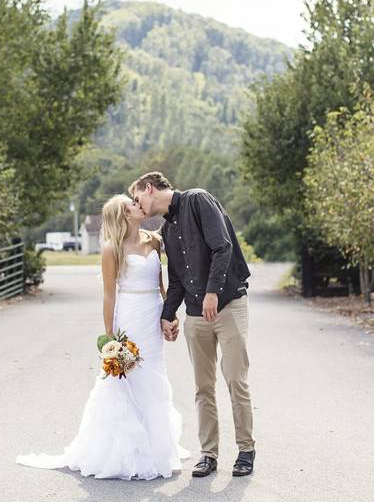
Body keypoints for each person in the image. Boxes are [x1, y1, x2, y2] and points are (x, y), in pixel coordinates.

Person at [16, 194, 188, 480]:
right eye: (132, 205)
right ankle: (124, 451)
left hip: (152, 316)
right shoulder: (112, 249)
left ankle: (155, 446)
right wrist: (111, 337)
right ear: (123, 215)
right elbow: (109, 295)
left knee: (154, 377)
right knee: (126, 379)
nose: (138, 205)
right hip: (129, 317)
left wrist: (169, 316)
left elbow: (163, 286)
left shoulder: (155, 242)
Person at [130, 172, 255, 478]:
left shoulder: (198, 200)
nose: (137, 204)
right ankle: (209, 454)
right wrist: (168, 315)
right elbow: (176, 281)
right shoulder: (167, 230)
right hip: (197, 315)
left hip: (228, 304)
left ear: (150, 189)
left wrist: (213, 291)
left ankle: (246, 451)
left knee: (235, 379)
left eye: (137, 198)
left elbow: (222, 248)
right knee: (203, 387)